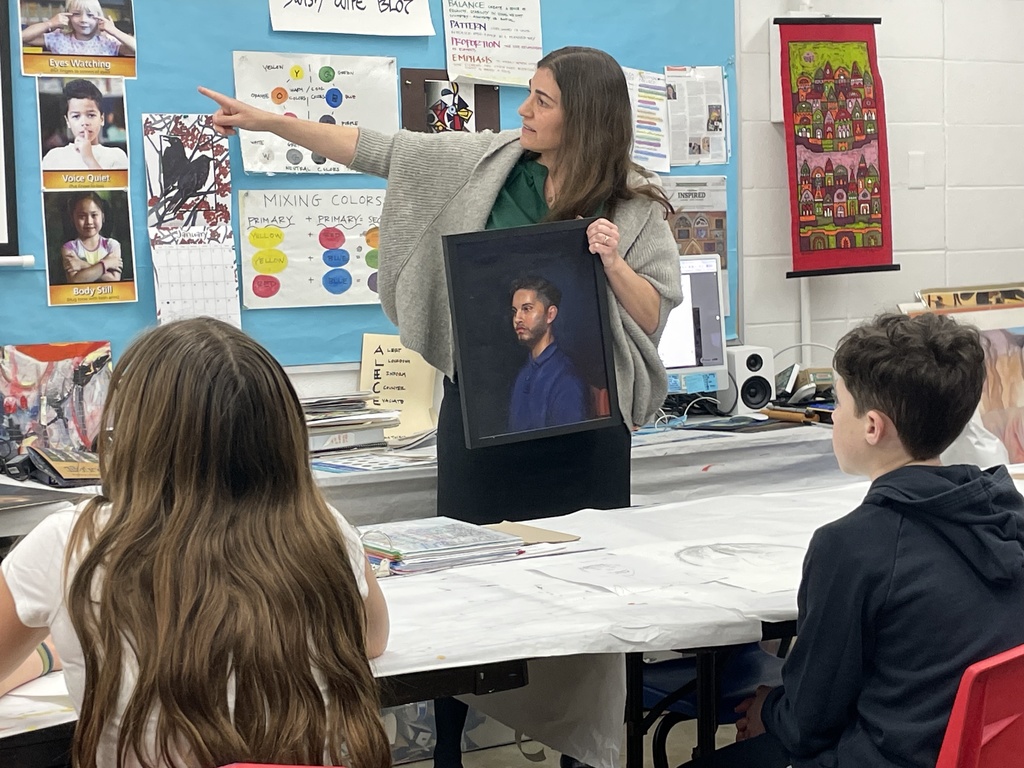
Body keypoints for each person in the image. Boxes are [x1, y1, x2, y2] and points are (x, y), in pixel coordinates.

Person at [202, 45, 682, 768]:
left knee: (592, 593)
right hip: (483, 419)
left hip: (584, 427)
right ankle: (453, 748)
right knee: (470, 581)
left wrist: (612, 262)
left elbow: (650, 317)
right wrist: (273, 122)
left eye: (542, 100)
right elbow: (377, 148)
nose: (524, 110)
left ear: (584, 117)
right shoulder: (483, 164)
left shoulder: (636, 204)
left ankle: (591, 751)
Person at [0, 318, 391, 768]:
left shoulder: (70, 541)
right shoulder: (323, 528)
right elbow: (372, 639)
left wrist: (49, 652)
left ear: (131, 434)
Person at [685, 312, 1024, 768]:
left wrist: (768, 708)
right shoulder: (1006, 512)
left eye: (838, 404)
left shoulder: (852, 547)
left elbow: (809, 722)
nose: (833, 417)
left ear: (872, 427)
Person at [508, 275, 589, 431]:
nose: (517, 318)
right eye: (515, 311)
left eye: (526, 309)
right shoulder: (525, 372)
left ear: (550, 314)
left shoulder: (566, 378)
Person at [42, 79, 129, 172]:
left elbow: (113, 186)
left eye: (91, 115)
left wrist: (89, 159)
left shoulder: (116, 156)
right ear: (67, 121)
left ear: (102, 119)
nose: (84, 122)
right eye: (76, 116)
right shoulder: (54, 157)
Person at [20, 0, 137, 57]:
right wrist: (49, 23)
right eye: (76, 14)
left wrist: (114, 31)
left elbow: (140, 51)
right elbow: (22, 37)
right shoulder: (59, 38)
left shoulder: (109, 42)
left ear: (99, 18)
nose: (83, 20)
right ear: (68, 16)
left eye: (90, 15)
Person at [60, 191, 123, 284]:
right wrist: (107, 263)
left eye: (94, 215)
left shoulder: (112, 245)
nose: (89, 221)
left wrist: (81, 265)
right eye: (82, 216)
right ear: (72, 218)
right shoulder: (69, 248)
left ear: (103, 216)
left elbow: (114, 279)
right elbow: (75, 280)